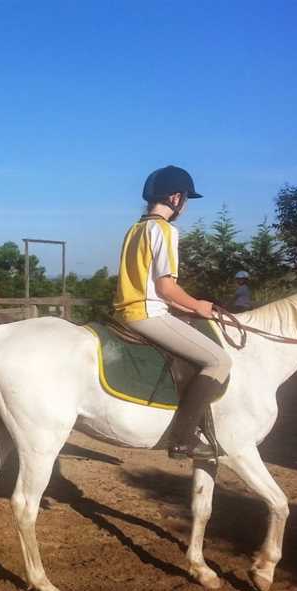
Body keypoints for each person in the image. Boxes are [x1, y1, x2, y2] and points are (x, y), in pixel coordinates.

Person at [113, 166, 232, 460]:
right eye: (187, 199)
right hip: (147, 315)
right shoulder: (165, 230)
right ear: (176, 198)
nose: (185, 206)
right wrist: (198, 305)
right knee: (219, 360)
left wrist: (185, 308)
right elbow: (166, 288)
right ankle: (183, 437)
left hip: (127, 311)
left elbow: (150, 286)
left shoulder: (135, 229)